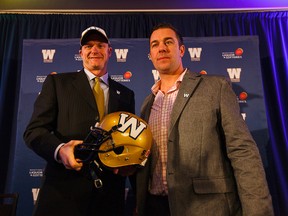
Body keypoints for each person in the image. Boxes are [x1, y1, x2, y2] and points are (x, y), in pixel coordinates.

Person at [136, 23, 274, 216]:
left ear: (182, 49)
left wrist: (258, 211)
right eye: (155, 44)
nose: (162, 48)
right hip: (155, 207)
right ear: (150, 55)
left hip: (208, 208)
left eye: (168, 42)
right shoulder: (147, 104)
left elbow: (242, 151)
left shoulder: (215, 87)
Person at [23, 26, 135, 216]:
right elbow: (34, 131)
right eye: (88, 45)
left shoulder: (126, 94)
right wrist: (60, 150)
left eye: (100, 45)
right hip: (63, 195)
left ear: (109, 51)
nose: (94, 50)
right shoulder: (58, 84)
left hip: (109, 197)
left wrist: (129, 161)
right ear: (80, 52)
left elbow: (126, 141)